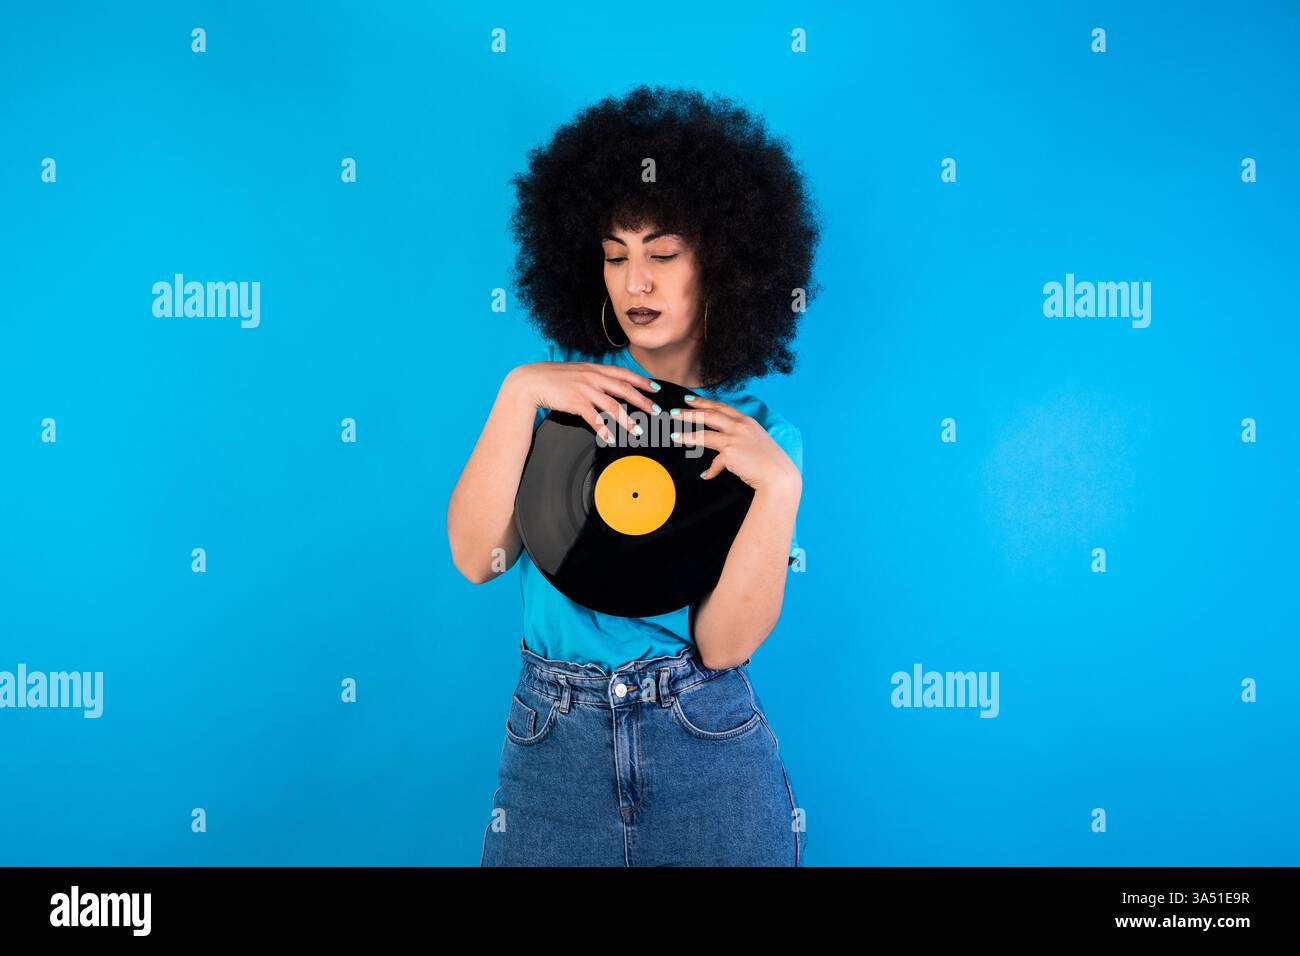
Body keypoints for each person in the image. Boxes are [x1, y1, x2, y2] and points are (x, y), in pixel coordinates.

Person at [446, 84, 820, 866]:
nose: (635, 282)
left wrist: (780, 487)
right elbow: (476, 558)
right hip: (551, 743)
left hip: (705, 745)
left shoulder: (763, 440)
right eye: (616, 256)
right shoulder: (560, 405)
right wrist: (519, 393)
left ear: (722, 263)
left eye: (663, 254)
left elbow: (721, 645)